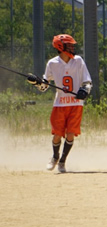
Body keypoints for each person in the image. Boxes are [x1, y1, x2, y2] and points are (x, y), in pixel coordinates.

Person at [27, 34, 92, 173]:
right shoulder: (52, 64)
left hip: (76, 104)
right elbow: (45, 86)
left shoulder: (78, 61)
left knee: (70, 134)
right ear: (60, 47)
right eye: (69, 45)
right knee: (57, 134)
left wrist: (85, 91)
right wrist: (36, 82)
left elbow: (87, 81)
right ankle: (55, 157)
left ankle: (62, 161)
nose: (72, 48)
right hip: (60, 105)